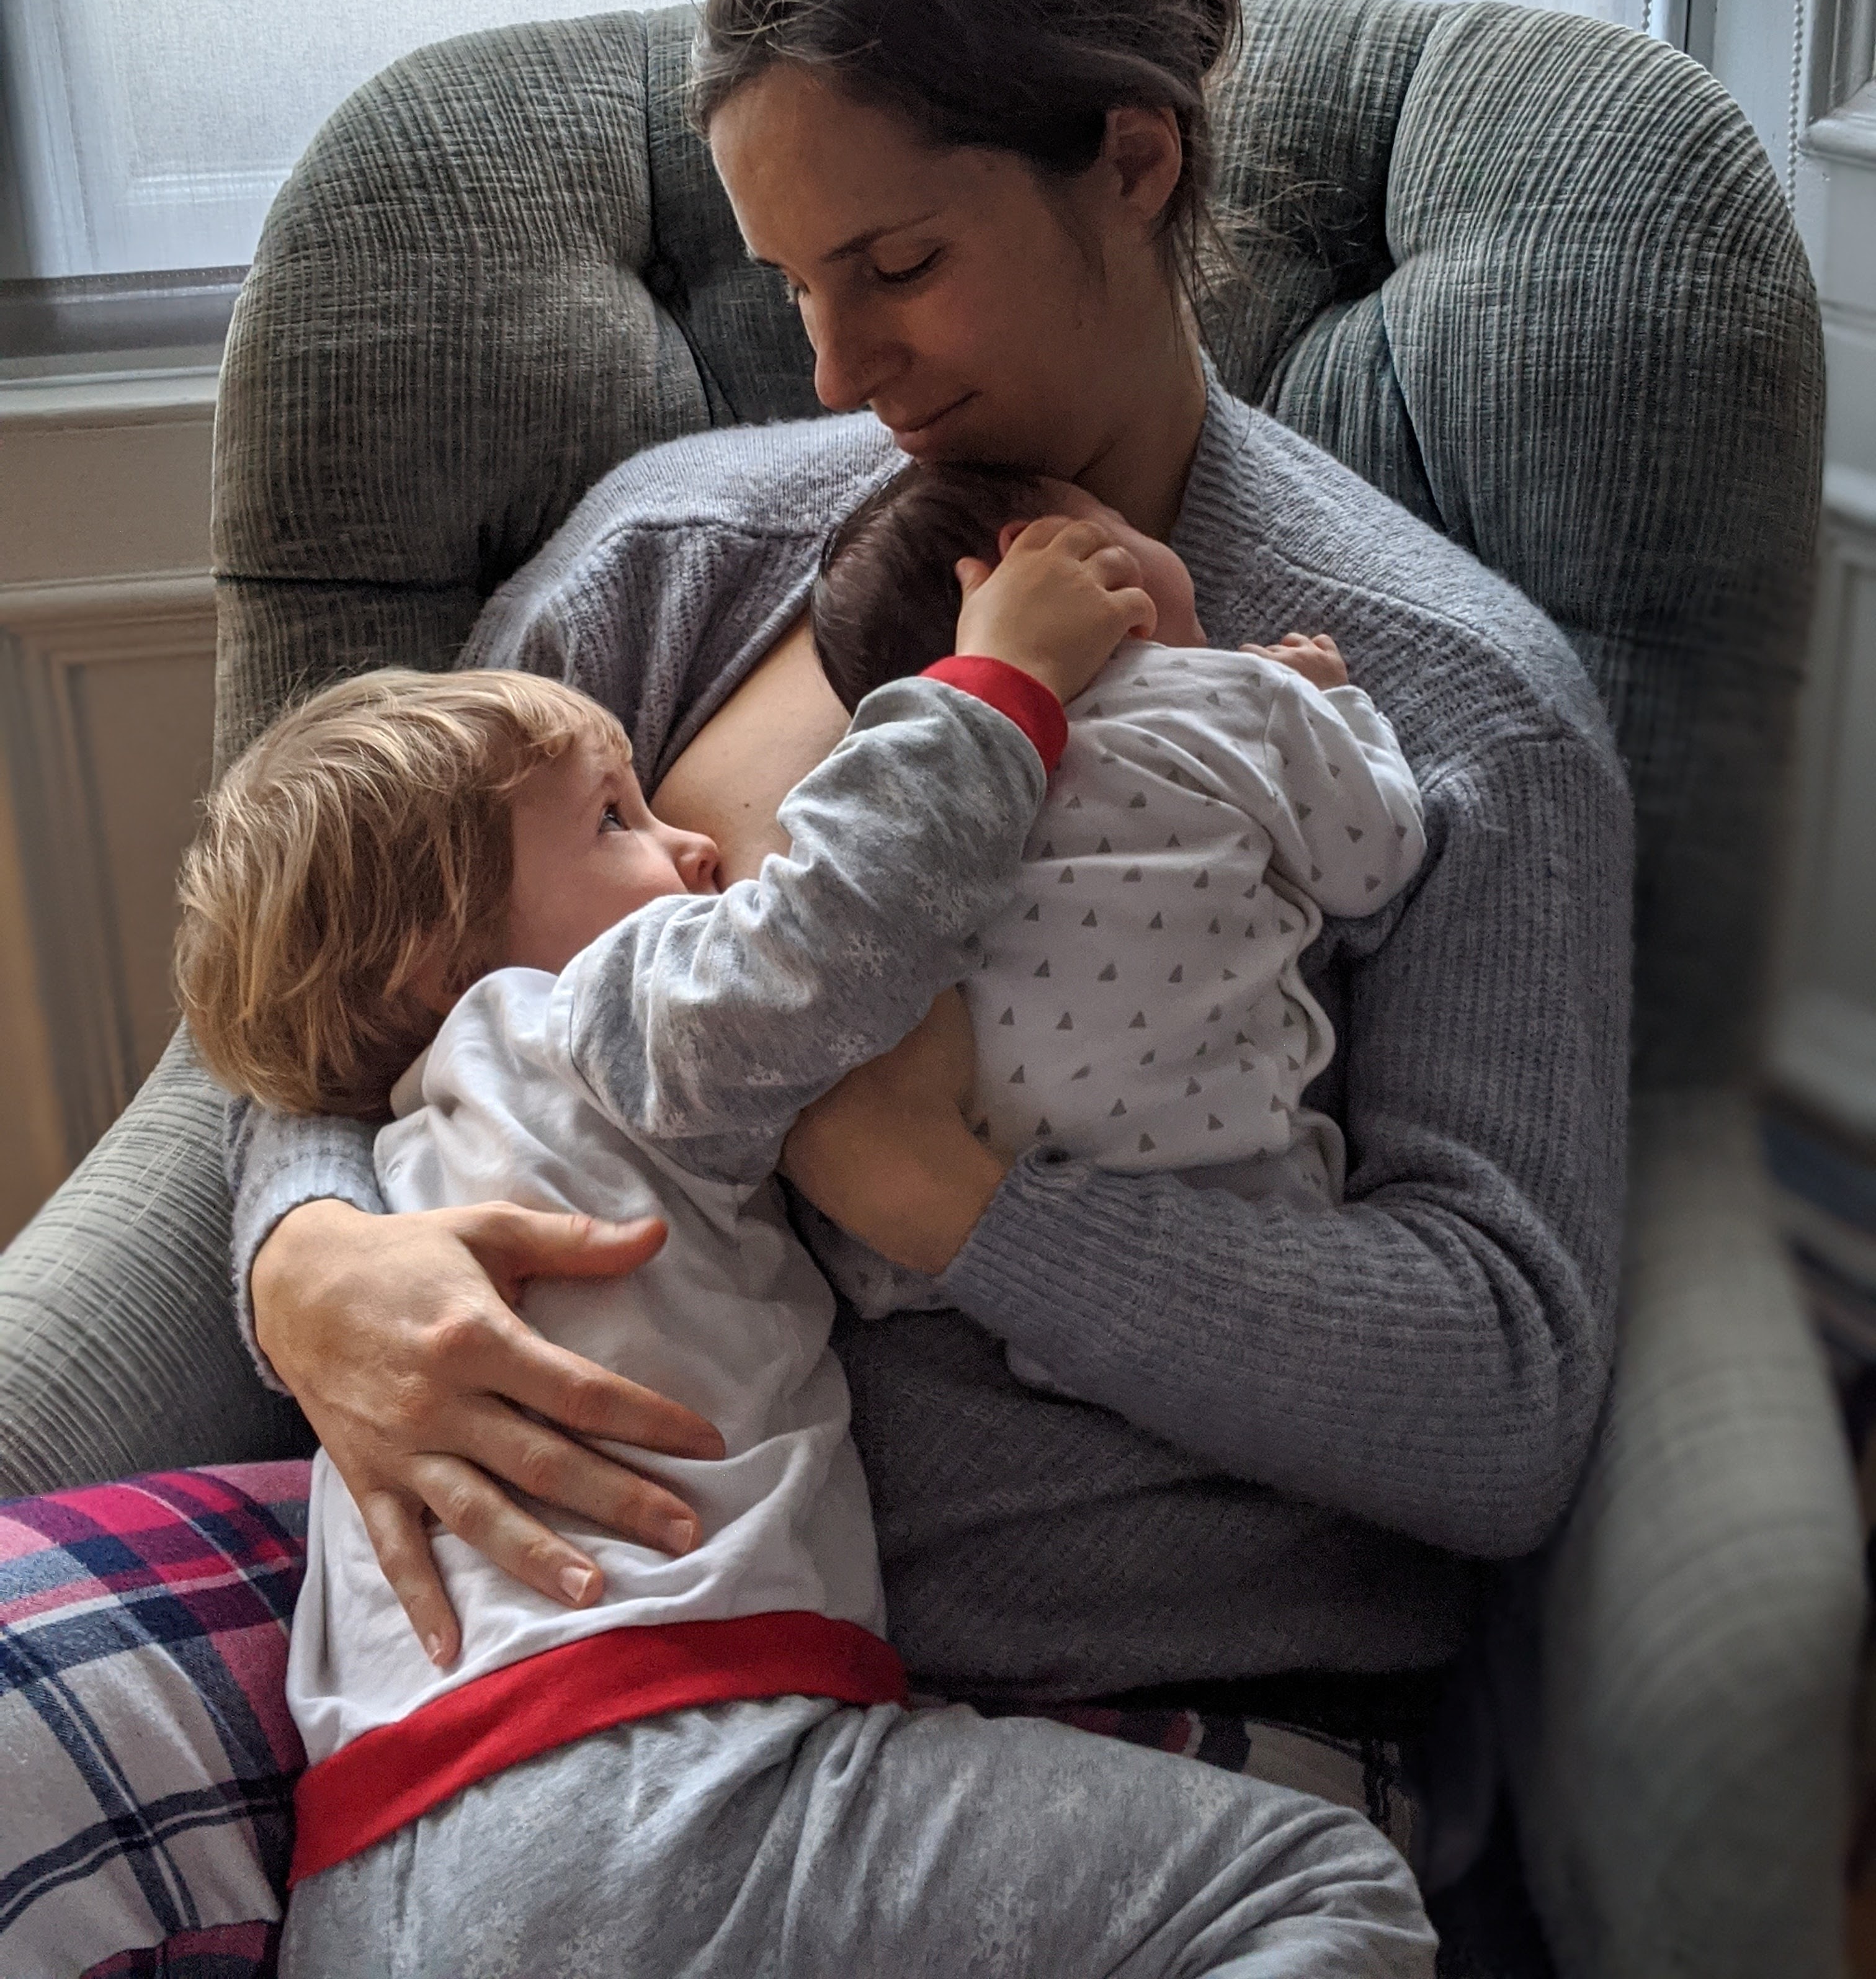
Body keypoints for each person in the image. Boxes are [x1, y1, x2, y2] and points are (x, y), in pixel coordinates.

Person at [231, 0, 1631, 1904]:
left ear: (1133, 160)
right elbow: (344, 972)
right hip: (531, 1675)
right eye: (789, 276)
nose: (827, 369)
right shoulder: (672, 560)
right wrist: (311, 1260)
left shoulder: (1447, 707)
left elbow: (1501, 1389)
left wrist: (945, 1201)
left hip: (1114, 1730)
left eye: (893, 261)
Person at [175, 547, 1436, 1975]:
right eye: (615, 820)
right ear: (429, 965)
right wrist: (997, 685)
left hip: (361, 1865)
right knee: (1322, 1891)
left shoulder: (414, 1160)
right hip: (666, 1787)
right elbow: (830, 936)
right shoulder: (592, 1025)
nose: (696, 848)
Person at [799, 460, 1427, 1372]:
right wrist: (1340, 704)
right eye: (1118, 518)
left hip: (966, 1215)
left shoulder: (912, 779)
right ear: (1064, 558)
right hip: (1223, 1184)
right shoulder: (1238, 697)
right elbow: (1374, 863)